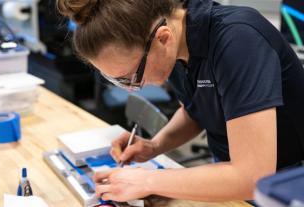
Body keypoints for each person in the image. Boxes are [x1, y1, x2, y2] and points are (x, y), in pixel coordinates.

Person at [56, 0, 304, 203]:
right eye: (119, 81)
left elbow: (252, 178)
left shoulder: (239, 40)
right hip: (231, 185)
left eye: (132, 76)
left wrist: (146, 181)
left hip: (288, 188)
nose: (134, 90)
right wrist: (154, 146)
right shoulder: (174, 44)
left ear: (163, 38)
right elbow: (196, 109)